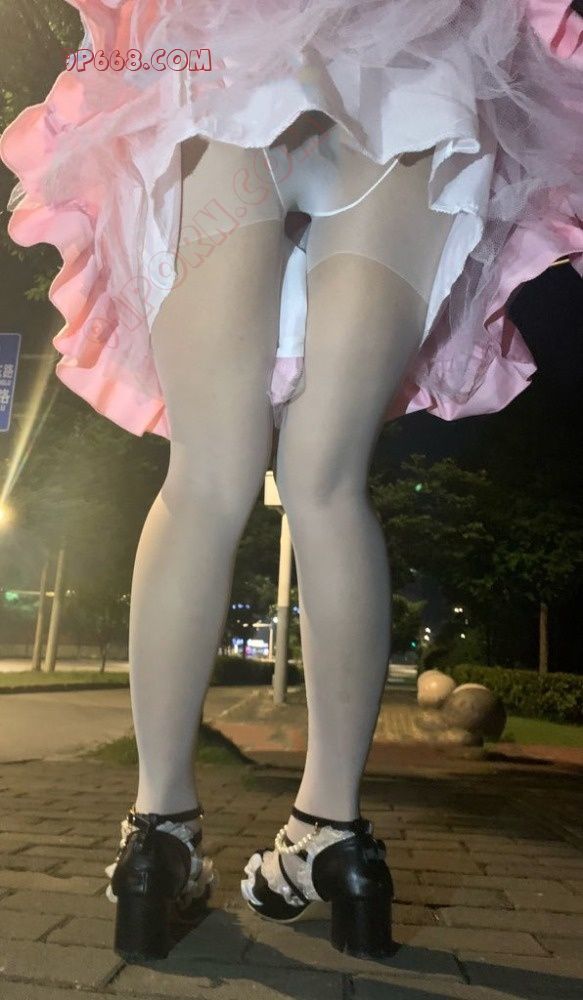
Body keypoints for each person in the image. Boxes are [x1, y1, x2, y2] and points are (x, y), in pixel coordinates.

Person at [1, 0, 582, 964]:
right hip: (415, 63)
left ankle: (158, 835)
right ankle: (333, 835)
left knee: (206, 475)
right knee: (327, 481)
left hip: (228, 49)